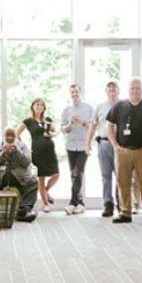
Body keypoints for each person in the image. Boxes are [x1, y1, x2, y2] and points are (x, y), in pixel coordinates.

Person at [106, 78, 142, 225]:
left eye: (137, 88)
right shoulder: (119, 106)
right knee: (123, 183)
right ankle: (125, 213)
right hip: (123, 151)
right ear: (128, 89)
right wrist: (115, 145)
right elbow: (109, 125)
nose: (135, 90)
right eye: (132, 88)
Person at [87, 80, 120, 217]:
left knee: (121, 176)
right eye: (109, 88)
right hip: (104, 144)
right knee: (106, 176)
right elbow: (93, 125)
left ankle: (121, 203)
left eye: (114, 87)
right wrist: (87, 143)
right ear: (106, 91)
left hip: (120, 145)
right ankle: (108, 204)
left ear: (118, 90)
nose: (112, 90)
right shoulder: (100, 107)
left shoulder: (123, 105)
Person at [60, 84, 92, 215]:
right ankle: (79, 203)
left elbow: (93, 126)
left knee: (77, 173)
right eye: (72, 92)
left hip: (84, 145)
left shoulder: (89, 108)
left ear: (80, 92)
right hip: (70, 146)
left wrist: (83, 121)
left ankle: (73, 202)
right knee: (74, 174)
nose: (74, 94)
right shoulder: (66, 110)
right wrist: (70, 124)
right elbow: (62, 129)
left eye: (76, 91)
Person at [24, 98, 59, 214]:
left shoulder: (48, 119)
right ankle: (45, 204)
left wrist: (51, 134)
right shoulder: (28, 121)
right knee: (41, 179)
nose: (39, 107)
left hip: (50, 151)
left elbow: (56, 131)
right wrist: (24, 148)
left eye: (41, 105)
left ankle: (46, 191)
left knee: (56, 175)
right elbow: (16, 133)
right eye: (37, 105)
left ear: (44, 107)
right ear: (32, 106)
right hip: (37, 152)